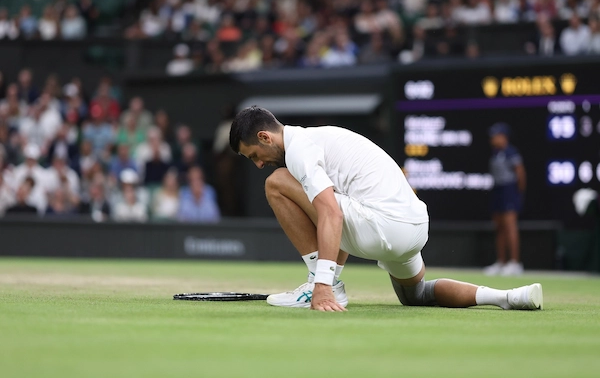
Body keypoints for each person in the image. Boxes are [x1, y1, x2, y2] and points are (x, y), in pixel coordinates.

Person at [228, 106, 543, 312]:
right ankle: (506, 297)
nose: (257, 163)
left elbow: (333, 215)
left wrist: (323, 286)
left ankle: (318, 285)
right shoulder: (318, 140)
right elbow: (341, 212)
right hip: (415, 227)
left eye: (254, 154)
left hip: (381, 227)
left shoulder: (299, 153)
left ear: (265, 136)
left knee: (276, 182)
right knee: (415, 295)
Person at [484, 123, 527, 276]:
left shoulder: (511, 152)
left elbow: (520, 174)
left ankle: (515, 263)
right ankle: (501, 262)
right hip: (497, 190)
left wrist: (517, 194)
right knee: (499, 228)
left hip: (509, 190)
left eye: (496, 136)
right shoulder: (495, 153)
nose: (493, 139)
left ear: (504, 137)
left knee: (510, 227)